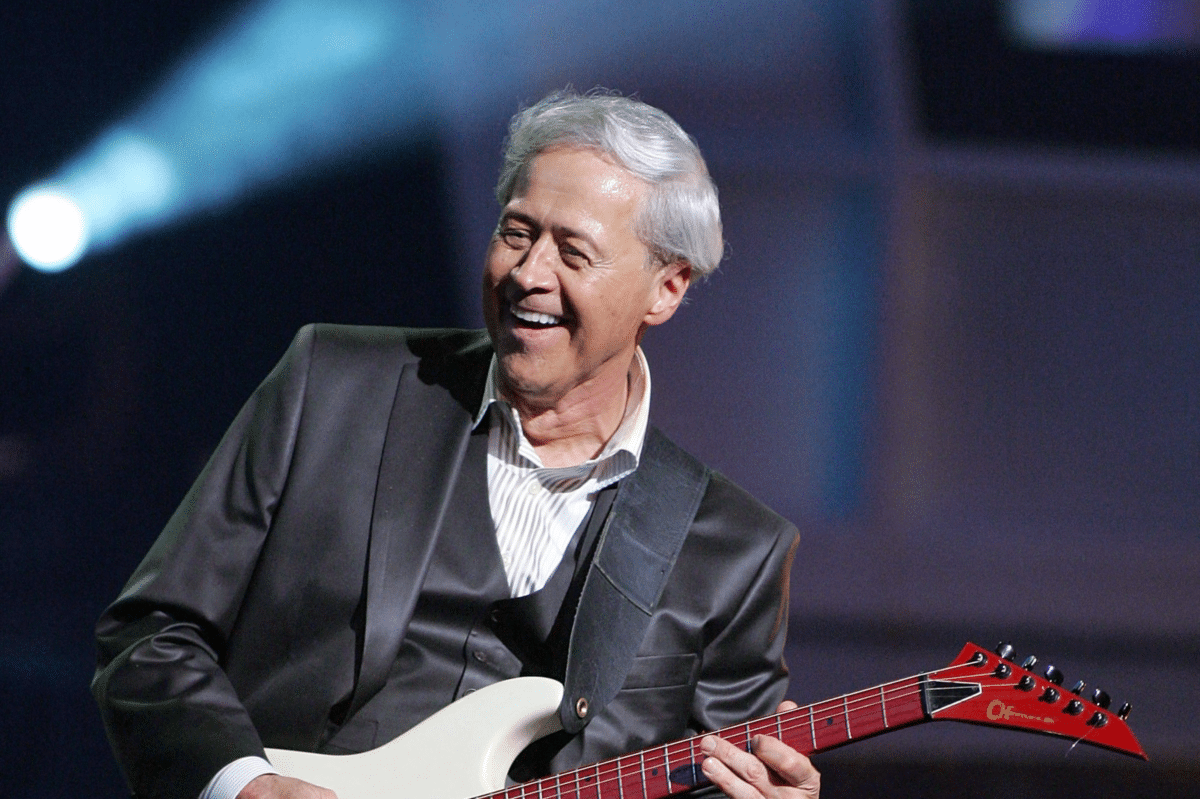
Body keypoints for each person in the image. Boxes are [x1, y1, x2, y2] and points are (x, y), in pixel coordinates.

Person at [92, 89, 821, 799]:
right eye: (516, 232)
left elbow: (724, 781)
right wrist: (245, 784)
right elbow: (151, 635)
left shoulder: (734, 551)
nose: (529, 274)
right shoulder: (333, 387)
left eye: (574, 252)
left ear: (666, 288)